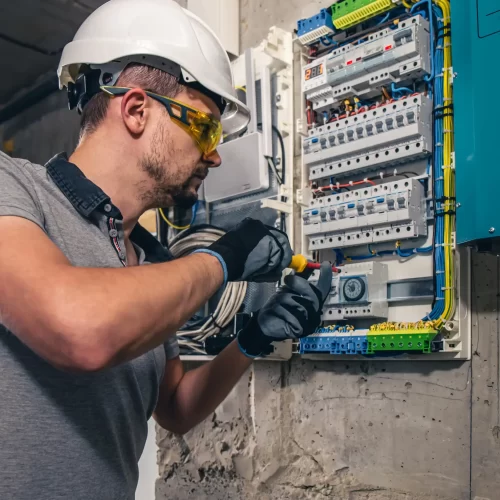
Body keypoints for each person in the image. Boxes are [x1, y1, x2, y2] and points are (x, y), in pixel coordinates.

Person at [0, 1, 331, 499]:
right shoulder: (15, 189)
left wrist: (254, 339)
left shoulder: (151, 262)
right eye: (205, 128)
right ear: (135, 110)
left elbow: (175, 407)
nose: (215, 155)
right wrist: (223, 259)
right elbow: (79, 329)